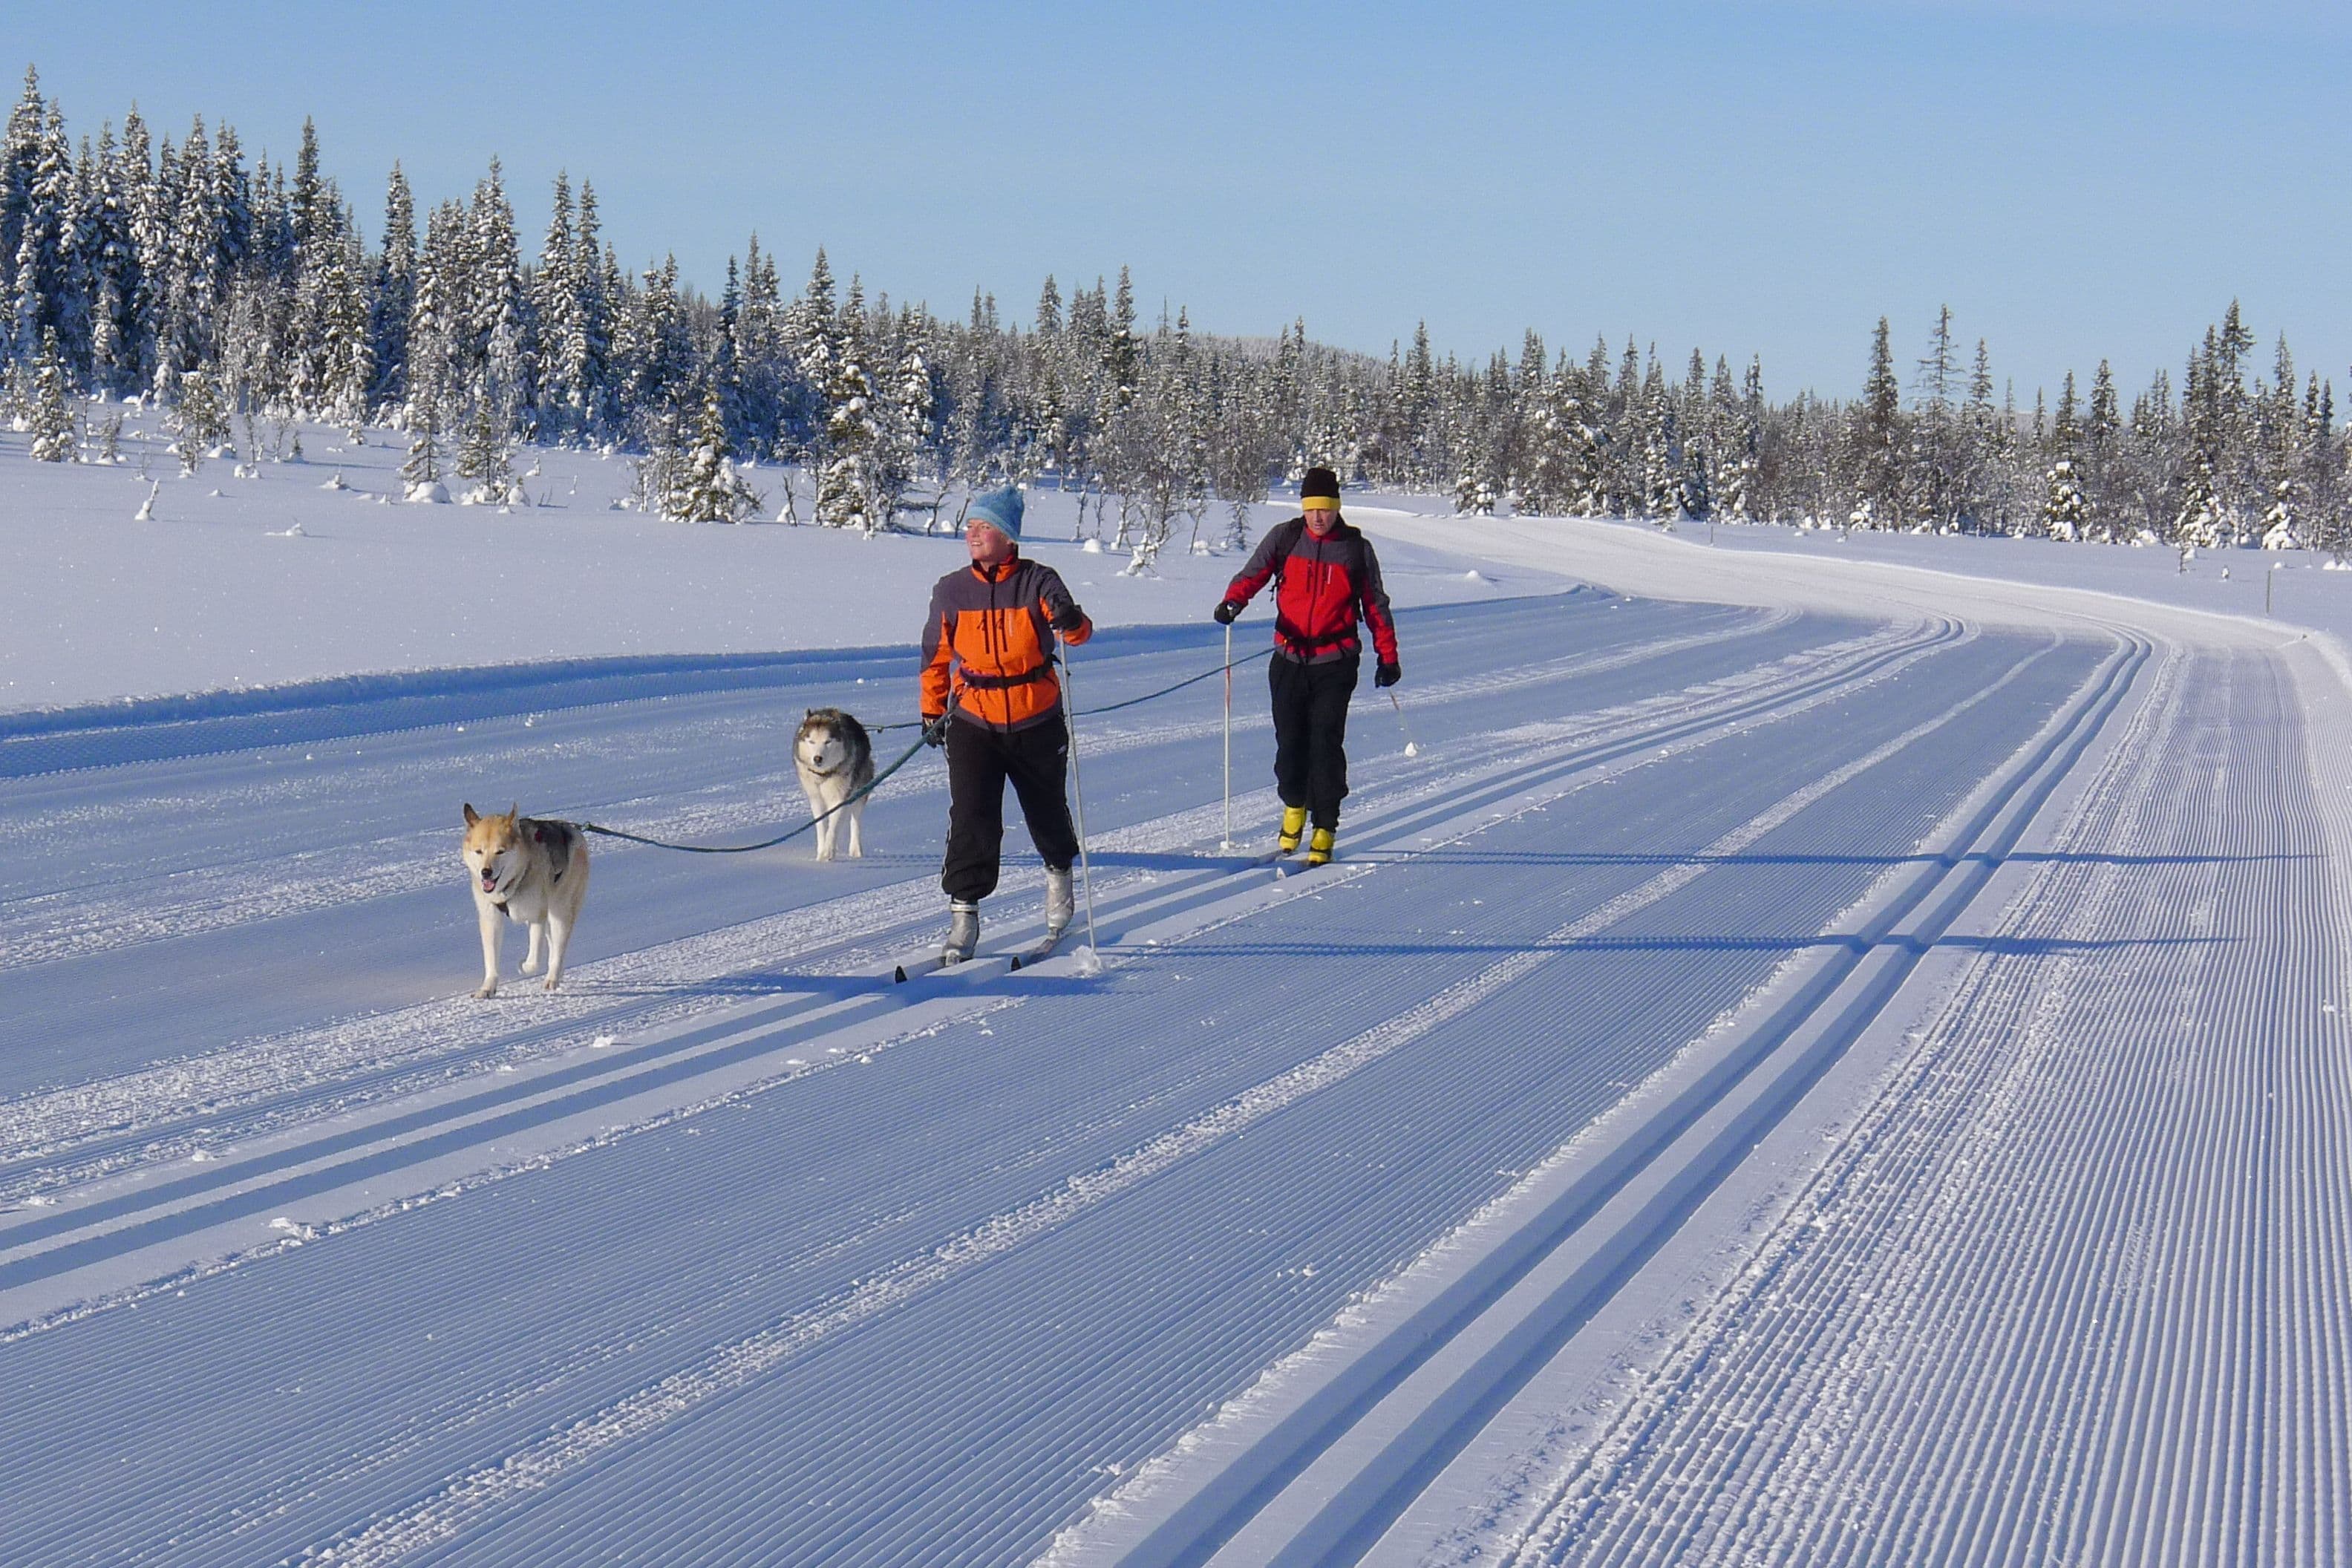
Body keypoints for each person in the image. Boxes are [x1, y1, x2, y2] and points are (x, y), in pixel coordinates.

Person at [920, 486, 1094, 963]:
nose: (973, 534)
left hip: (1036, 716)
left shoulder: (1039, 580)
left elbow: (1078, 634)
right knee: (972, 815)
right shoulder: (951, 590)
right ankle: (964, 915)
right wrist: (932, 709)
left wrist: (1070, 618)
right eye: (970, 526)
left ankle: (1059, 876)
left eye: (984, 527)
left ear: (1008, 535)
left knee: (1045, 808)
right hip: (974, 718)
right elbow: (934, 656)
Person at [1213, 466, 1399, 866]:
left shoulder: (1354, 548)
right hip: (1288, 660)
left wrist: (1388, 656)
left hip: (1335, 662)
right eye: (1312, 508)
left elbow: (1375, 605)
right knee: (1290, 742)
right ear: (1303, 507)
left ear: (1337, 507)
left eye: (1326, 508)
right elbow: (1255, 572)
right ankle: (1294, 805)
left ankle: (1325, 825)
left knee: (1325, 744)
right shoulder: (1286, 537)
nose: (1319, 516)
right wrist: (1233, 601)